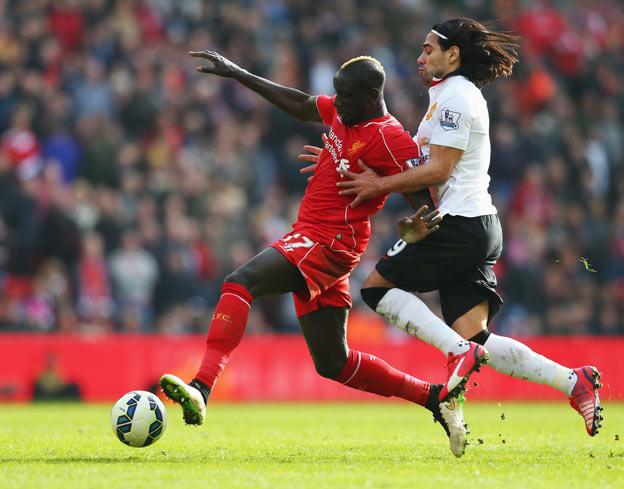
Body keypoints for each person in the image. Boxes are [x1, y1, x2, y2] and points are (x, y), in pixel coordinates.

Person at [160, 50, 488, 457]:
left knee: (239, 283)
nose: (339, 105)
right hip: (316, 238)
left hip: (330, 241)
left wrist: (400, 211)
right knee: (334, 363)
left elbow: (425, 201)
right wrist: (238, 71)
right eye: (337, 96)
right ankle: (436, 397)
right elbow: (300, 104)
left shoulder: (389, 137)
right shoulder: (345, 112)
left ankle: (202, 388)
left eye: (347, 98)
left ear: (372, 96)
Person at [300, 19, 603, 449]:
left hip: (461, 223)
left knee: (375, 290)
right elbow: (427, 171)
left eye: (428, 50)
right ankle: (575, 381)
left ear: (452, 55)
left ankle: (457, 354)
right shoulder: (444, 96)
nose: (420, 58)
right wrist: (345, 168)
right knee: (476, 334)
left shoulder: (457, 97)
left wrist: (376, 186)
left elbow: (440, 169)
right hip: (472, 223)